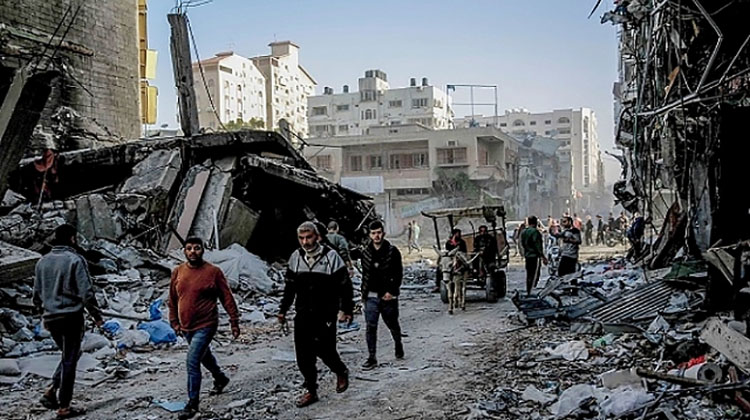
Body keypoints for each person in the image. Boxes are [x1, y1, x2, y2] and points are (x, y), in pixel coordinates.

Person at [278, 222, 353, 407]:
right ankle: (311, 390)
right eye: (301, 238)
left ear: (317, 237)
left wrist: (346, 310)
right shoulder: (296, 257)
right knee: (303, 355)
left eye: (309, 237)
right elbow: (290, 287)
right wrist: (283, 310)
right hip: (303, 313)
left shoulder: (331, 257)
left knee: (325, 349)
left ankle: (340, 371)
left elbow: (345, 286)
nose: (305, 242)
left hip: (325, 314)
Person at [33, 224, 103, 419]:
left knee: (69, 355)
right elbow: (86, 292)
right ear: (72, 238)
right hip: (71, 316)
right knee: (70, 359)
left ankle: (51, 390)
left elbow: (36, 294)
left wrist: (42, 313)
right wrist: (96, 316)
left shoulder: (42, 262)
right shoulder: (75, 260)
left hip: (51, 317)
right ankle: (64, 406)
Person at [169, 237, 240, 420]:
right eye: (189, 248)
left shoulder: (213, 272)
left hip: (206, 324)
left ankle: (192, 404)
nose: (193, 252)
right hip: (186, 326)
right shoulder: (178, 271)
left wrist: (234, 320)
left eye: (197, 248)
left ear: (203, 250)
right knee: (204, 355)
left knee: (192, 361)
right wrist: (174, 321)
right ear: (184, 251)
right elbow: (173, 299)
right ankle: (220, 378)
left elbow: (226, 297)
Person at [360, 220, 404, 370]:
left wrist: (392, 292)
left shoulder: (392, 251)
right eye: (373, 233)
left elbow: (398, 273)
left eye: (379, 232)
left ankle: (398, 344)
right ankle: (372, 357)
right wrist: (364, 294)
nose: (376, 236)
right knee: (371, 326)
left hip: (388, 296)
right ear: (370, 235)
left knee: (392, 323)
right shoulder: (366, 253)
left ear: (383, 233)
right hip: (371, 295)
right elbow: (365, 275)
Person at [520, 216, 547, 295]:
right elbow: (537, 245)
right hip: (535, 256)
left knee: (529, 274)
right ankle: (532, 290)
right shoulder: (535, 232)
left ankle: (528, 290)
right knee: (535, 275)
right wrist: (543, 257)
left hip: (527, 256)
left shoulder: (524, 232)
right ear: (536, 222)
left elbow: (522, 243)